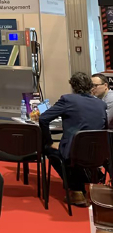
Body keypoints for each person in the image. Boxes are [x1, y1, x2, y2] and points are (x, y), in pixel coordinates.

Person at [39, 72, 107, 207]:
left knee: (48, 149)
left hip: (74, 151)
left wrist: (50, 142)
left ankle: (76, 191)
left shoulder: (67, 100)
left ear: (73, 86)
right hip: (97, 152)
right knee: (73, 152)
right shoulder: (101, 104)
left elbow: (43, 119)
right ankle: (89, 177)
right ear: (90, 86)